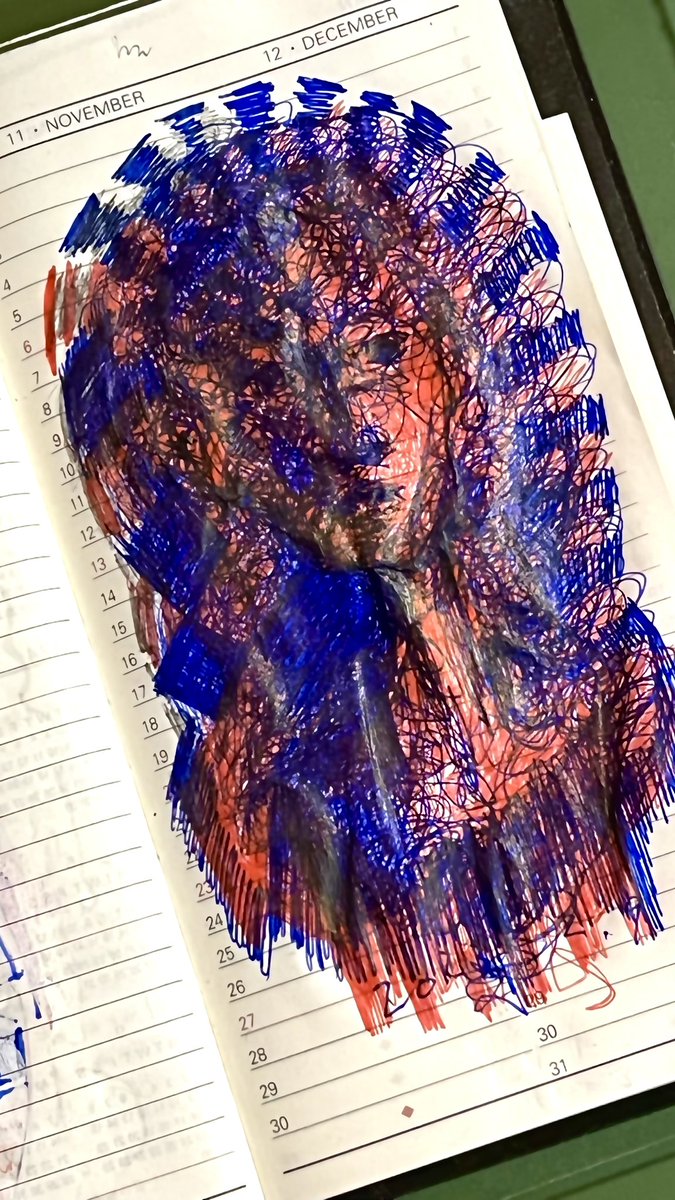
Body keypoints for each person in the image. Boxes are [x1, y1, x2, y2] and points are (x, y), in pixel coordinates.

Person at [46, 81, 675, 1031]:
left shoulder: (620, 683)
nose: (351, 428)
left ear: (455, 360)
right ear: (198, 448)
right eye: (266, 382)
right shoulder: (257, 803)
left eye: (379, 352)